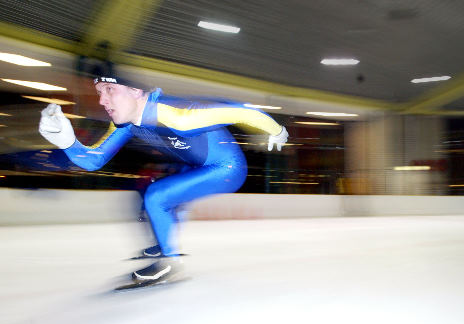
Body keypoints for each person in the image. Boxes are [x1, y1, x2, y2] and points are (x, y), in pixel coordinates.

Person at [38, 74, 288, 284]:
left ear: (136, 91)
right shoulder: (124, 123)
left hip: (228, 167)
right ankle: (163, 243)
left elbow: (239, 111)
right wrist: (67, 142)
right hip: (194, 165)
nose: (102, 100)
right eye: (100, 92)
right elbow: (94, 161)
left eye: (110, 90)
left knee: (157, 197)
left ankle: (169, 262)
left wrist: (276, 130)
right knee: (156, 196)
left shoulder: (179, 116)